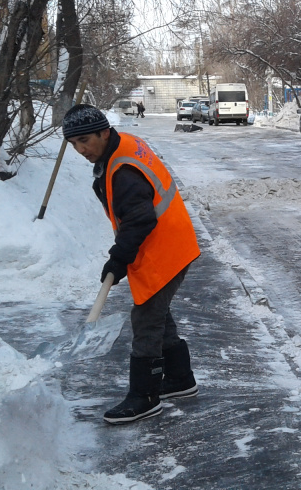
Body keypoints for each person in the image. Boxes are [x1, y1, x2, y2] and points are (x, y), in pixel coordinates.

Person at [62, 104, 201, 424]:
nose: (82, 150)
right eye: (74, 144)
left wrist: (118, 258)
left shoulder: (121, 169)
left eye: (86, 141)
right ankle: (180, 379)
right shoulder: (123, 146)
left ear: (104, 132)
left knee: (146, 317)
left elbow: (139, 219)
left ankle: (145, 395)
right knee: (157, 310)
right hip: (172, 241)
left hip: (162, 248)